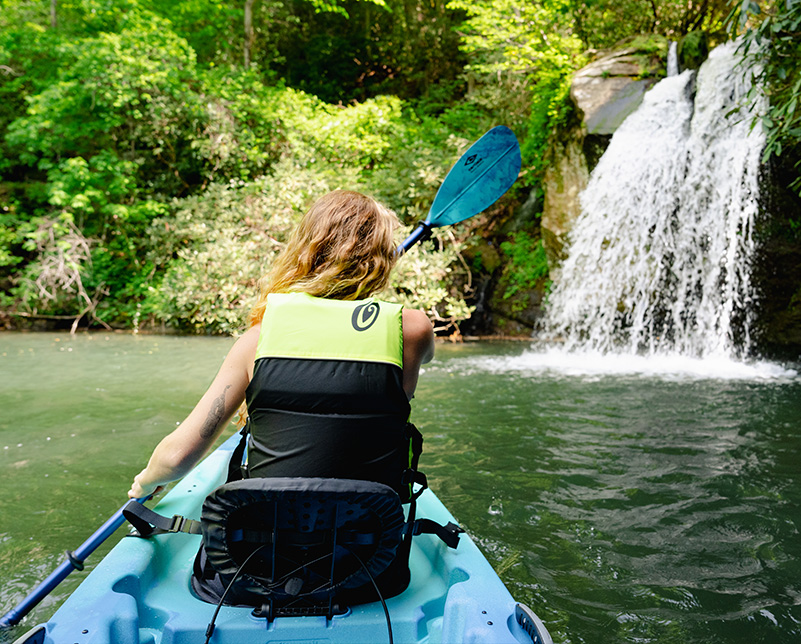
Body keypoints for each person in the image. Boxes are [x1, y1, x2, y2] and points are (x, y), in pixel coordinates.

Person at [128, 189, 435, 500]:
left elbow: (175, 459)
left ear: (306, 251)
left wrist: (145, 481)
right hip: (368, 539)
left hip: (268, 541)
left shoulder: (258, 339)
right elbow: (424, 360)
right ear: (383, 260)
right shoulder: (411, 330)